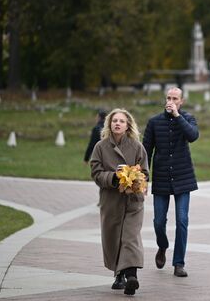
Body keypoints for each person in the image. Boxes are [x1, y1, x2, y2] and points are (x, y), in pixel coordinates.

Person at [90, 108, 149, 295]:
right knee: (113, 238)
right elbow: (96, 173)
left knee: (130, 237)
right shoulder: (100, 147)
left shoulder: (137, 146)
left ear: (128, 125)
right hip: (111, 201)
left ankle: (132, 276)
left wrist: (134, 178)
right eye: (114, 120)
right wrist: (114, 178)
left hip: (133, 201)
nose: (117, 123)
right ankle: (118, 275)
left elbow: (146, 173)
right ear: (109, 124)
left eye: (122, 121)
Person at [143, 87, 199, 277]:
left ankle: (179, 263)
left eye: (175, 98)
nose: (171, 101)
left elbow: (193, 136)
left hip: (183, 178)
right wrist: (144, 176)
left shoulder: (188, 119)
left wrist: (177, 116)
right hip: (161, 178)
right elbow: (146, 151)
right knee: (159, 222)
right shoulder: (154, 122)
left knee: (182, 220)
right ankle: (162, 245)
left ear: (181, 101)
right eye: (168, 98)